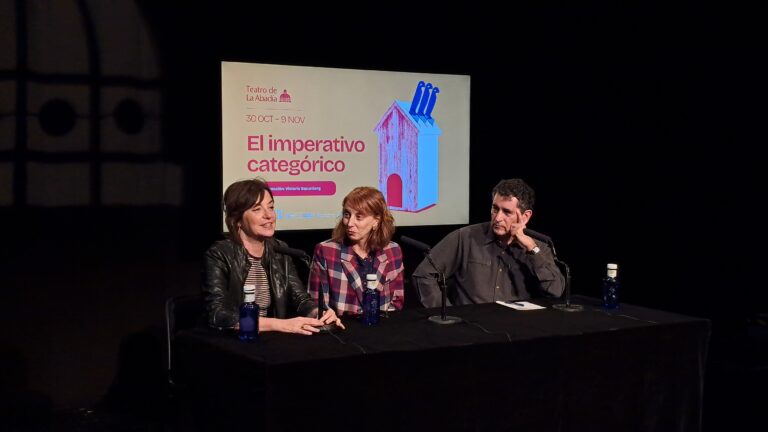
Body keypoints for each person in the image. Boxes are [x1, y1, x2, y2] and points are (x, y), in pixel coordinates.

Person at [203, 178, 344, 335]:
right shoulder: (219, 254)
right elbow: (218, 315)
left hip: (270, 340)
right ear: (237, 220)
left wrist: (318, 313)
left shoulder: (280, 250)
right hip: (234, 340)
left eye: (271, 207)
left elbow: (300, 299)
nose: (268, 215)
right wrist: (279, 324)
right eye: (257, 209)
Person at [412, 178, 565, 307]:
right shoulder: (466, 237)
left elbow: (555, 291)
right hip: (468, 330)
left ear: (525, 217)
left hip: (517, 332)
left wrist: (532, 248)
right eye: (495, 209)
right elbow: (424, 274)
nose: (497, 218)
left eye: (507, 212)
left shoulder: (540, 247)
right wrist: (446, 313)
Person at [309, 186, 404, 316]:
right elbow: (317, 304)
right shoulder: (326, 251)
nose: (349, 223)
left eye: (359, 217)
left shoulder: (393, 251)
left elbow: (396, 302)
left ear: (376, 220)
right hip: (342, 330)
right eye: (347, 215)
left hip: (382, 328)